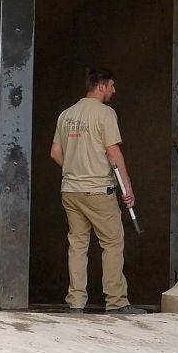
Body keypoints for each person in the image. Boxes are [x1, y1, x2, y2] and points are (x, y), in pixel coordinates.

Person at [50, 66, 146, 315]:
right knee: (112, 243)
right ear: (101, 86)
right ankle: (116, 302)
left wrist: (74, 170)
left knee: (78, 245)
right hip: (97, 190)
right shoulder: (106, 114)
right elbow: (114, 154)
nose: (114, 91)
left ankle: (76, 303)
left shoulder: (66, 114)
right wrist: (128, 188)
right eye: (112, 86)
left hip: (71, 190)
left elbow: (55, 153)